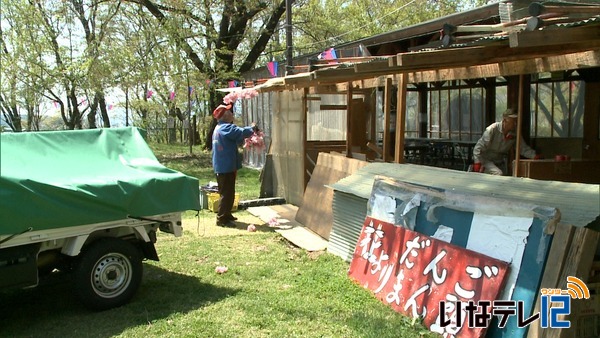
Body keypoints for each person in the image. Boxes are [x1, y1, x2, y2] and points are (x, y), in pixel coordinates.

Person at [211, 103, 258, 227]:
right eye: (229, 112)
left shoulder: (219, 128)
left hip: (222, 165)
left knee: (228, 191)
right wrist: (253, 128)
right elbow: (241, 132)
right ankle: (222, 219)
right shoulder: (226, 127)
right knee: (226, 193)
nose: (232, 114)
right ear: (225, 116)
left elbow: (235, 139)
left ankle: (227, 214)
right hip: (225, 165)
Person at [472, 109, 540, 175]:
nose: (515, 124)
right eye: (513, 121)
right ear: (505, 120)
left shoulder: (515, 133)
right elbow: (478, 148)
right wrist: (477, 162)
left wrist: (534, 156)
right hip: (485, 160)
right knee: (498, 173)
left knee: (506, 177)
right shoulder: (492, 129)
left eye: (516, 121)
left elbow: (522, 148)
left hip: (500, 161)